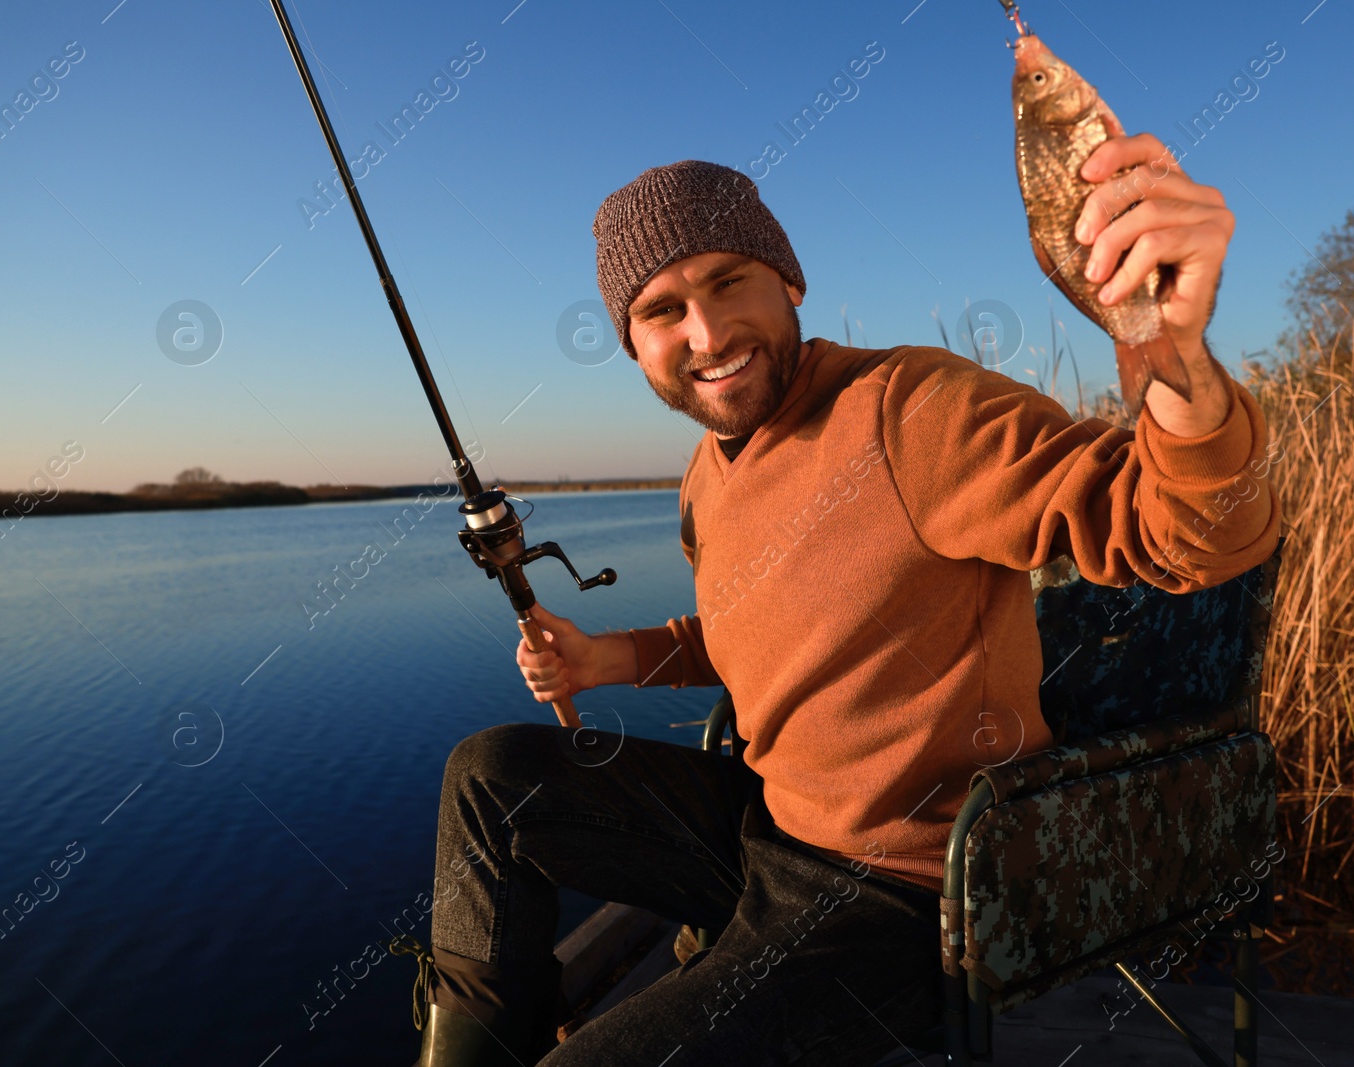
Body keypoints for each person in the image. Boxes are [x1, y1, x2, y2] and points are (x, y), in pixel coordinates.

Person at [411, 143, 1280, 1065]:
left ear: (787, 282)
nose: (705, 335)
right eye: (663, 311)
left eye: (727, 282)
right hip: (767, 826)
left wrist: (1175, 357)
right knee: (492, 773)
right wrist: (607, 659)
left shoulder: (910, 406)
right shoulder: (710, 470)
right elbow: (766, 635)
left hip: (912, 894)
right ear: (634, 346)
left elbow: (1190, 531)